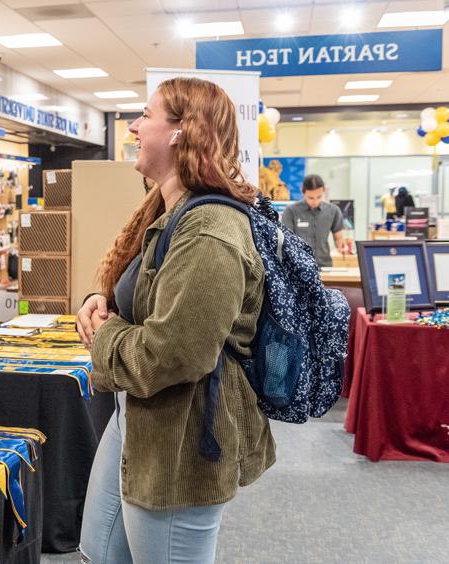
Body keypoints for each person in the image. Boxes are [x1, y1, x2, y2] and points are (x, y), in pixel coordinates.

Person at [75, 77, 275, 564]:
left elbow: (171, 355)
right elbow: (139, 293)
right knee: (99, 553)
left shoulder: (210, 231)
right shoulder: (169, 209)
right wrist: (97, 301)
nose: (134, 127)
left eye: (145, 115)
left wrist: (105, 335)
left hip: (181, 440)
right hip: (137, 418)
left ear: (182, 131)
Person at [280, 174, 345, 267]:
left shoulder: (333, 211)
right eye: (311, 198)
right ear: (303, 192)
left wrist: (341, 246)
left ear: (323, 191)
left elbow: (338, 238)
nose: (315, 201)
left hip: (324, 265)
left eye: (319, 197)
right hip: (299, 267)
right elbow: (286, 242)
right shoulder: (290, 211)